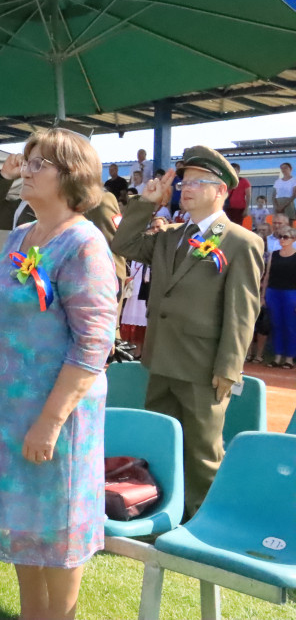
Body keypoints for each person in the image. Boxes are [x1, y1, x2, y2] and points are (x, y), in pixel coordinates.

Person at [0, 128, 118, 620]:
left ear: (71, 176)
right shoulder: (19, 236)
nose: (26, 170)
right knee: (21, 525)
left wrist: (50, 421)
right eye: (27, 161)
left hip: (53, 413)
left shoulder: (84, 243)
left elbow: (94, 343)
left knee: (56, 528)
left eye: (39, 164)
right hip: (6, 414)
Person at [111, 146, 263, 515]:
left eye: (198, 181)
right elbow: (123, 244)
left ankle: (203, 518)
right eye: (184, 181)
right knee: (159, 442)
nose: (187, 187)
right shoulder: (172, 235)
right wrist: (146, 203)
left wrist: (228, 367)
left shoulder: (242, 242)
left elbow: (243, 310)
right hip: (161, 358)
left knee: (202, 450)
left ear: (222, 190)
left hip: (202, 365)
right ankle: (160, 510)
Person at [0, 152, 127, 296]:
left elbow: (115, 263)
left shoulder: (98, 204)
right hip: (22, 305)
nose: (26, 173)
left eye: (37, 165)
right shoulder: (27, 205)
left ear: (67, 170)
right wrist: (5, 177)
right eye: (28, 164)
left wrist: (111, 317)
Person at [120, 216, 169, 356]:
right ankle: (133, 354)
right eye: (152, 227)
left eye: (158, 227)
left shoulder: (166, 250)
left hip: (153, 294)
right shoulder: (140, 248)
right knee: (133, 326)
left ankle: (144, 355)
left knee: (148, 328)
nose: (154, 230)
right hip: (135, 293)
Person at [263, 226, 296, 369]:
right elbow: (267, 275)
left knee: (290, 326)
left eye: (286, 237)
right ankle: (277, 357)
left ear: (293, 239)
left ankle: (289, 358)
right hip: (273, 292)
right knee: (276, 325)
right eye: (280, 237)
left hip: (291, 293)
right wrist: (263, 295)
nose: (282, 239)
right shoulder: (274, 254)